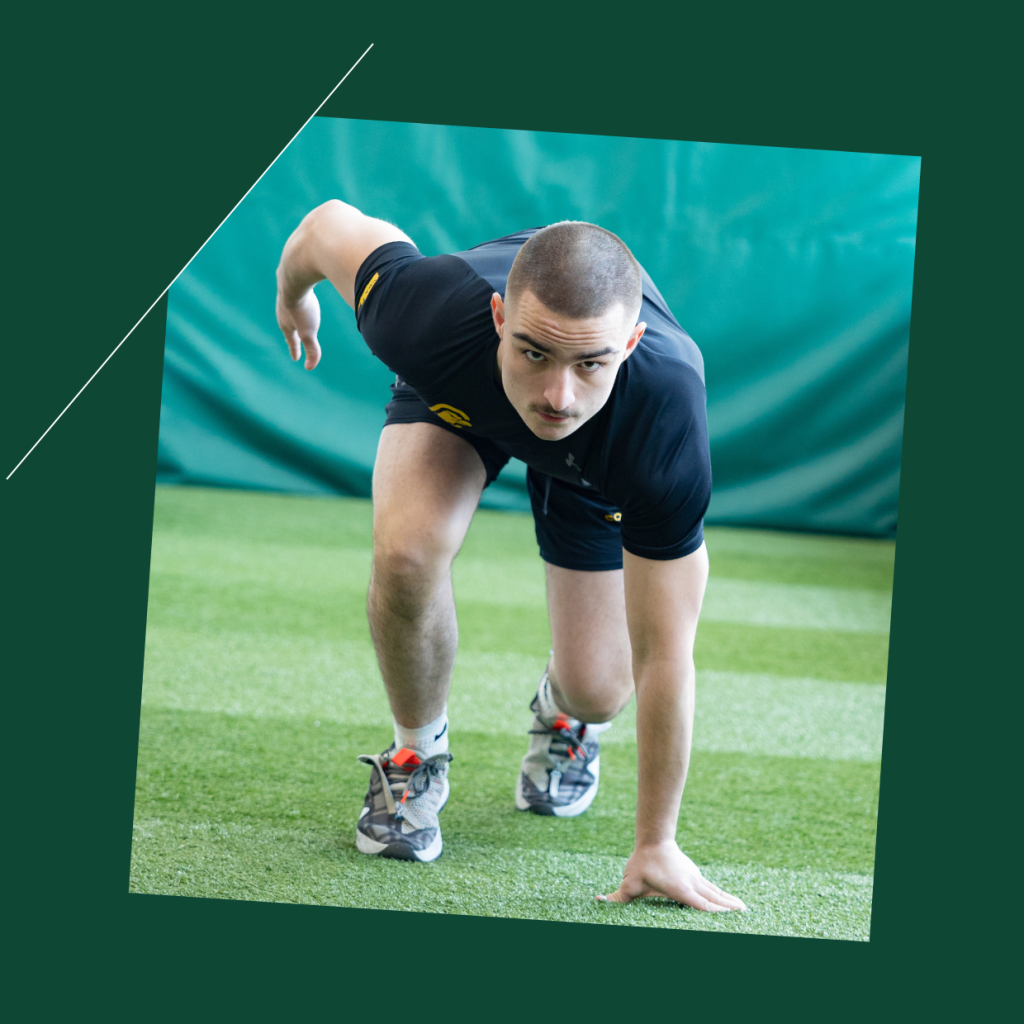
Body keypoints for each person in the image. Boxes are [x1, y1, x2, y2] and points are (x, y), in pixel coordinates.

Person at [274, 200, 746, 912]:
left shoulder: (662, 419)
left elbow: (665, 653)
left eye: (590, 362)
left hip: (597, 463)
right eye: (534, 352)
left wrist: (657, 842)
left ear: (631, 343)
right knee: (406, 554)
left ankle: (565, 716)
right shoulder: (427, 312)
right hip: (463, 394)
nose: (558, 395)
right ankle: (415, 754)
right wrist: (294, 295)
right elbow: (325, 226)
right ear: (499, 317)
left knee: (599, 690)